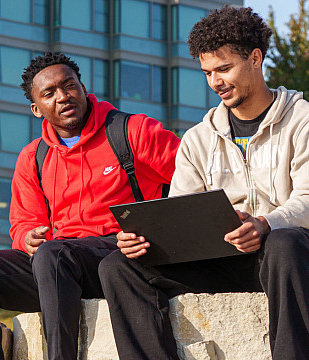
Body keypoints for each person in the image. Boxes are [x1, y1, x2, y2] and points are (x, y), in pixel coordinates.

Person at [98, 5, 309, 359]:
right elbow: (180, 210)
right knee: (118, 266)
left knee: (284, 245)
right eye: (208, 72)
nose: (215, 82)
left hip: (289, 256)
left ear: (255, 58)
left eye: (224, 69)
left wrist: (265, 223)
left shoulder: (301, 121)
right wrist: (145, 238)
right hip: (226, 258)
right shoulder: (198, 138)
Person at [0, 52, 180, 359]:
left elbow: (193, 177)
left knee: (54, 254)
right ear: (36, 108)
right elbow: (23, 222)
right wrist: (28, 238)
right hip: (57, 270)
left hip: (122, 257)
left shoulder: (132, 131)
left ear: (83, 87)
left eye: (69, 85)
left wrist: (156, 230)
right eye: (49, 93)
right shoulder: (34, 157)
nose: (63, 96)